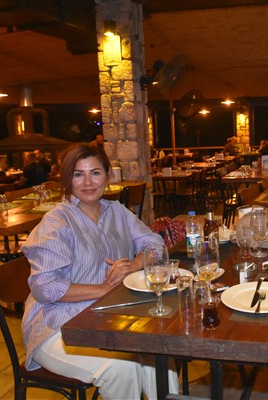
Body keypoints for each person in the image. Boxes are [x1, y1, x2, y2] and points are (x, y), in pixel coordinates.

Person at [21, 144, 179, 400]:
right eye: (78, 174)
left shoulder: (117, 211)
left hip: (108, 316)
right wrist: (104, 289)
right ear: (67, 179)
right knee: (124, 368)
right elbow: (45, 288)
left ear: (107, 175)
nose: (87, 182)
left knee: (159, 351)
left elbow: (155, 245)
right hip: (56, 326)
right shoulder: (56, 221)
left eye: (95, 173)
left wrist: (135, 264)